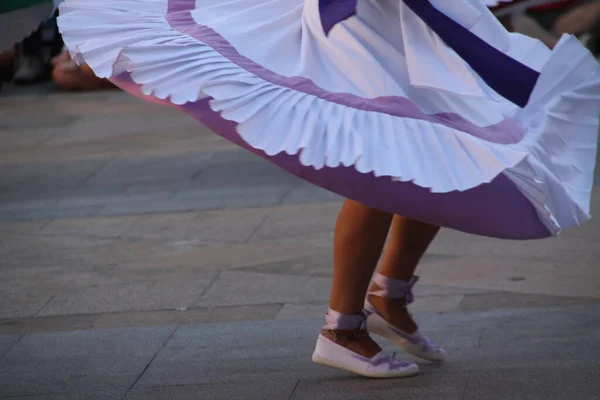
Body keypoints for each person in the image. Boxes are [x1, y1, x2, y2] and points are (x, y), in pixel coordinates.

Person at [57, 0, 600, 378]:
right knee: (391, 151)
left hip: (406, 17)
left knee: (448, 148)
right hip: (362, 23)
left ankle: (388, 292)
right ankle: (341, 329)